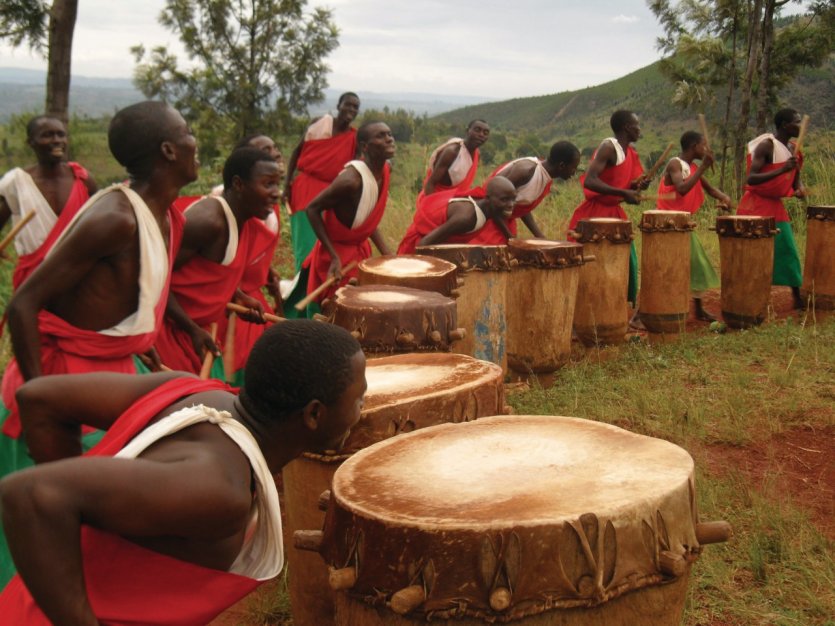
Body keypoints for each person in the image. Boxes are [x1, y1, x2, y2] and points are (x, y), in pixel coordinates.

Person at [0, 320, 366, 625]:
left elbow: (39, 397)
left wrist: (82, 522)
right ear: (314, 414)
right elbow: (30, 495)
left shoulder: (189, 391)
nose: (362, 409)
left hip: (28, 602)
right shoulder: (220, 490)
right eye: (358, 399)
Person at [0, 100, 195, 585]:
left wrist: (140, 343)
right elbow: (23, 304)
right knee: (43, 542)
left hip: (111, 373)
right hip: (63, 385)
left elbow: (121, 302)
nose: (195, 140)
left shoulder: (165, 216)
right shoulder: (116, 217)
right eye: (187, 132)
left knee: (94, 531)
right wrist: (42, 403)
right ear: (169, 151)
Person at [155, 147, 282, 377]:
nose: (277, 193)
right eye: (268, 184)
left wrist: (237, 295)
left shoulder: (244, 220)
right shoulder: (208, 221)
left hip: (195, 331)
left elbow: (208, 272)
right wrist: (191, 328)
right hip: (169, 335)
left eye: (277, 184)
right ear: (238, 184)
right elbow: (155, 279)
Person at [302, 121, 396, 314]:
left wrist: (387, 253)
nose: (389, 139)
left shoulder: (385, 170)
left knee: (360, 309)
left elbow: (366, 220)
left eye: (389, 134)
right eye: (380, 136)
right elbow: (312, 209)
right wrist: (334, 257)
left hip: (359, 253)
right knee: (338, 313)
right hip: (337, 256)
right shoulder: (350, 181)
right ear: (364, 146)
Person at [216, 135, 285, 386]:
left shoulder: (263, 200)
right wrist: (236, 293)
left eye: (273, 148)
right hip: (227, 304)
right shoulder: (224, 213)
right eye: (264, 150)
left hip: (245, 296)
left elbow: (250, 252)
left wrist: (266, 270)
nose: (274, 153)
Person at [282, 93, 360, 315]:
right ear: (338, 105)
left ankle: (318, 304)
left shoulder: (354, 138)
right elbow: (297, 151)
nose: (351, 110)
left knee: (322, 253)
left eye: (355, 107)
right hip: (305, 191)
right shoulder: (320, 125)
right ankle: (297, 308)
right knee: (305, 252)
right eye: (347, 105)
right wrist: (287, 184)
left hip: (330, 197)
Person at [0, 115, 97, 289]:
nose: (57, 140)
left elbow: (100, 224)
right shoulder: (16, 182)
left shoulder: (83, 180)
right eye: (47, 135)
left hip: (78, 277)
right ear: (31, 143)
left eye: (61, 135)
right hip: (32, 280)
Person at [568, 110, 650, 307]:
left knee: (626, 262)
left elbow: (625, 185)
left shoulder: (630, 152)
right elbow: (590, 181)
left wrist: (636, 186)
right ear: (627, 128)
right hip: (594, 214)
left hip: (614, 214)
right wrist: (623, 193)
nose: (639, 129)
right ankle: (584, 312)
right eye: (637, 125)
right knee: (591, 266)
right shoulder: (608, 147)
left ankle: (612, 308)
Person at [657, 131, 733, 321]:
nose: (706, 149)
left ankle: (698, 308)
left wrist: (725, 198)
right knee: (664, 269)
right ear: (694, 147)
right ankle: (642, 313)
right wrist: (704, 167)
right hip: (668, 225)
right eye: (703, 145)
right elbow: (682, 189)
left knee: (696, 265)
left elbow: (710, 189)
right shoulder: (675, 164)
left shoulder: (691, 167)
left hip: (683, 225)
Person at [737, 108, 806, 309]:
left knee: (788, 250)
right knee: (755, 254)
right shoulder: (766, 146)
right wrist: (782, 169)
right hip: (755, 206)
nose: (800, 126)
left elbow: (796, 180)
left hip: (776, 207)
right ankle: (751, 297)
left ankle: (797, 298)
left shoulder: (793, 149)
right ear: (785, 125)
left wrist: (799, 189)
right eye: (796, 122)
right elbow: (751, 178)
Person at [465, 141, 581, 244]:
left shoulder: (545, 177)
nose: (574, 172)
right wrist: (511, 238)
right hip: (487, 219)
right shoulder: (526, 171)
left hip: (502, 220)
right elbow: (492, 205)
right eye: (573, 168)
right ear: (561, 166)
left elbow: (522, 207)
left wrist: (541, 237)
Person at [398, 176, 517, 253]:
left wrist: (512, 240)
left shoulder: (488, 208)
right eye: (504, 200)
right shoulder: (466, 218)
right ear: (488, 199)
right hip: (414, 251)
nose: (511, 205)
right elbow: (422, 245)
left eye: (513, 199)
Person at [418, 119, 490, 198]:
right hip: (436, 198)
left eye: (485, 133)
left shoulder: (477, 154)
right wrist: (432, 203)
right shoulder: (452, 152)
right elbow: (430, 184)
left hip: (456, 199)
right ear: (467, 131)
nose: (481, 135)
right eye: (477, 130)